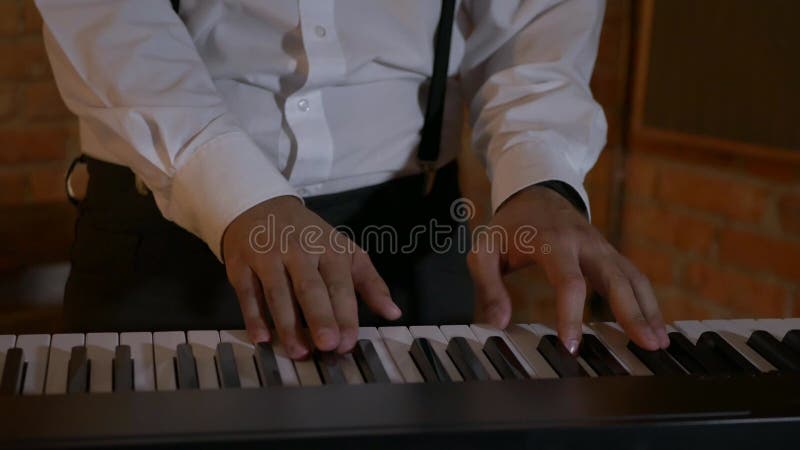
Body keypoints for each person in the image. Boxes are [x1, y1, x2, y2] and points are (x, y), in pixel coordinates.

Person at [36, 0, 669, 360]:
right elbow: (110, 23)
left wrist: (542, 180)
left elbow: (537, 30)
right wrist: (236, 192)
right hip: (159, 243)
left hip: (411, 245)